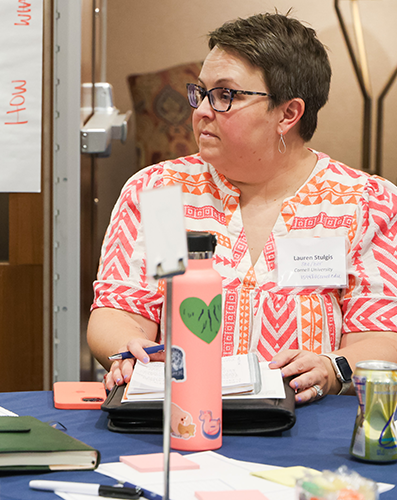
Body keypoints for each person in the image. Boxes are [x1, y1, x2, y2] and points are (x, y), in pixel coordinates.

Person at [88, 13, 397, 404]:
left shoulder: (366, 203)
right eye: (200, 93)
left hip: (306, 426)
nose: (200, 111)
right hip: (182, 416)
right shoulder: (162, 193)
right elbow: (121, 309)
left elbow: (381, 336)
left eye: (225, 95)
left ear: (288, 114)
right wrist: (127, 347)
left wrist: (333, 367)